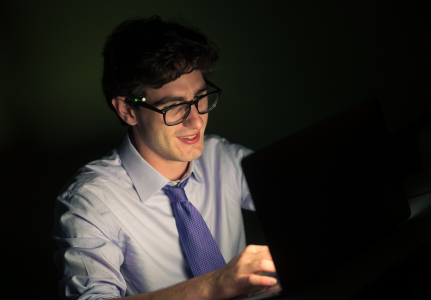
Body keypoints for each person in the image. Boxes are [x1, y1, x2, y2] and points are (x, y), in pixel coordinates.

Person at [52, 15, 277, 300]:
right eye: (174, 106)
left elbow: (303, 199)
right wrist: (215, 285)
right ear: (127, 110)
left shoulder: (223, 158)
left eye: (200, 97)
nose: (196, 122)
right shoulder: (90, 201)